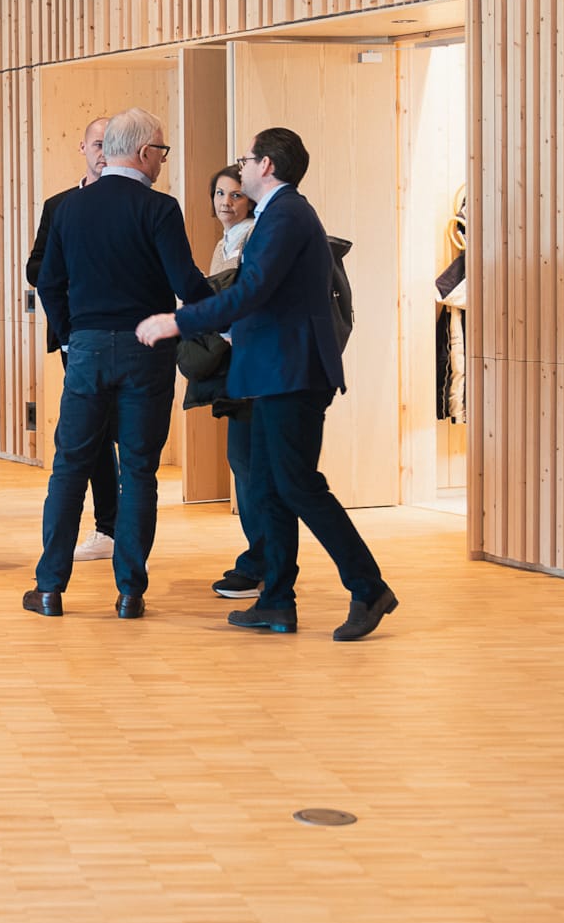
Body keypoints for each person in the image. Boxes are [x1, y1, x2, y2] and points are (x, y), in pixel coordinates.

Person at [138, 128, 399, 642]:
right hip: (272, 372)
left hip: (292, 374)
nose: (241, 168)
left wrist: (179, 321)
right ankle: (277, 600)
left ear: (267, 167)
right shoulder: (278, 215)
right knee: (269, 488)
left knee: (298, 485)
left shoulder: (286, 215)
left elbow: (251, 291)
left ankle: (369, 587)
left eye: (247, 160)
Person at [29, 108, 211, 620]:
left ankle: (49, 588)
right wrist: (228, 305)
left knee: (69, 468)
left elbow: (48, 282)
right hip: (145, 351)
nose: (162, 162)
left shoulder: (69, 208)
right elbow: (186, 282)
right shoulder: (159, 208)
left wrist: (71, 334)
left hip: (85, 350)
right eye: (161, 152)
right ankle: (130, 592)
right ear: (143, 151)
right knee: (139, 472)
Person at [26, 117, 120, 561]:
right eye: (97, 143)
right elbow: (36, 269)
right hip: (74, 336)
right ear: (81, 147)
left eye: (110, 144)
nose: (103, 151)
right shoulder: (59, 205)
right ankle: (104, 529)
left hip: (122, 338)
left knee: (115, 432)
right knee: (89, 435)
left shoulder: (135, 202)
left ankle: (114, 527)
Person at [193, 164, 265, 599]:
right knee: (244, 462)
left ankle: (262, 562)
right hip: (235, 366)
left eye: (235, 195)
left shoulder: (253, 238)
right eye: (219, 194)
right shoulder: (225, 243)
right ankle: (260, 558)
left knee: (251, 464)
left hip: (253, 365)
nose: (225, 202)